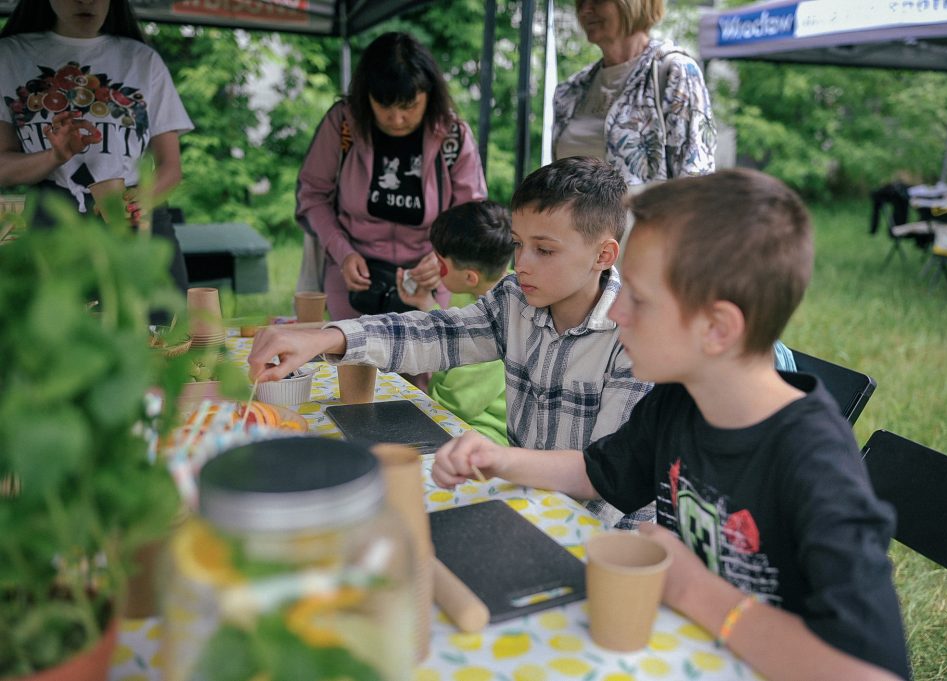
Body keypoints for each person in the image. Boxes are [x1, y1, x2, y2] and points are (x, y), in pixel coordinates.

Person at [431, 169, 910, 680]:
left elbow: (875, 672)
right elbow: (600, 472)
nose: (616, 313)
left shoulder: (813, 460)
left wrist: (696, 593)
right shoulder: (679, 400)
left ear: (717, 328)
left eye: (638, 297)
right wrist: (501, 459)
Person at [255, 156, 651, 527]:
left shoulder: (634, 336)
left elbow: (609, 484)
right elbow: (434, 334)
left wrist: (533, 532)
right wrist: (327, 336)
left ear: (603, 255)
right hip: (525, 504)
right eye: (517, 244)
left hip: (604, 542)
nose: (522, 264)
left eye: (544, 250)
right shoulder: (513, 299)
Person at [0, 0, 193, 292]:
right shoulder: (11, 56)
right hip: (48, 218)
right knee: (60, 331)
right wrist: (55, 156)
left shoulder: (142, 59)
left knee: (163, 330)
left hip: (135, 215)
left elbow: (171, 167)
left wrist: (140, 201)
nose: (86, 1)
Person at [296, 31, 487, 323]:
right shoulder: (343, 123)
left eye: (409, 106)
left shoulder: (452, 135)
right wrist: (342, 252)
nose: (396, 119)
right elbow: (312, 195)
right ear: (366, 95)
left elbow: (471, 213)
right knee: (350, 364)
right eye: (384, 106)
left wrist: (441, 257)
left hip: (424, 282)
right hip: (353, 280)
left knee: (415, 367)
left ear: (429, 95)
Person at [552, 0, 716, 185]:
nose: (585, 10)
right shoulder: (571, 90)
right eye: (580, 2)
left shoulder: (675, 71)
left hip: (647, 214)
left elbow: (696, 179)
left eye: (597, 0)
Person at [394, 200, 514, 445]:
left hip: (484, 435)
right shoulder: (483, 289)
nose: (435, 268)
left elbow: (457, 403)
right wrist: (426, 302)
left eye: (440, 263)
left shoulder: (502, 320)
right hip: (457, 418)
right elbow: (455, 334)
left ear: (470, 277)